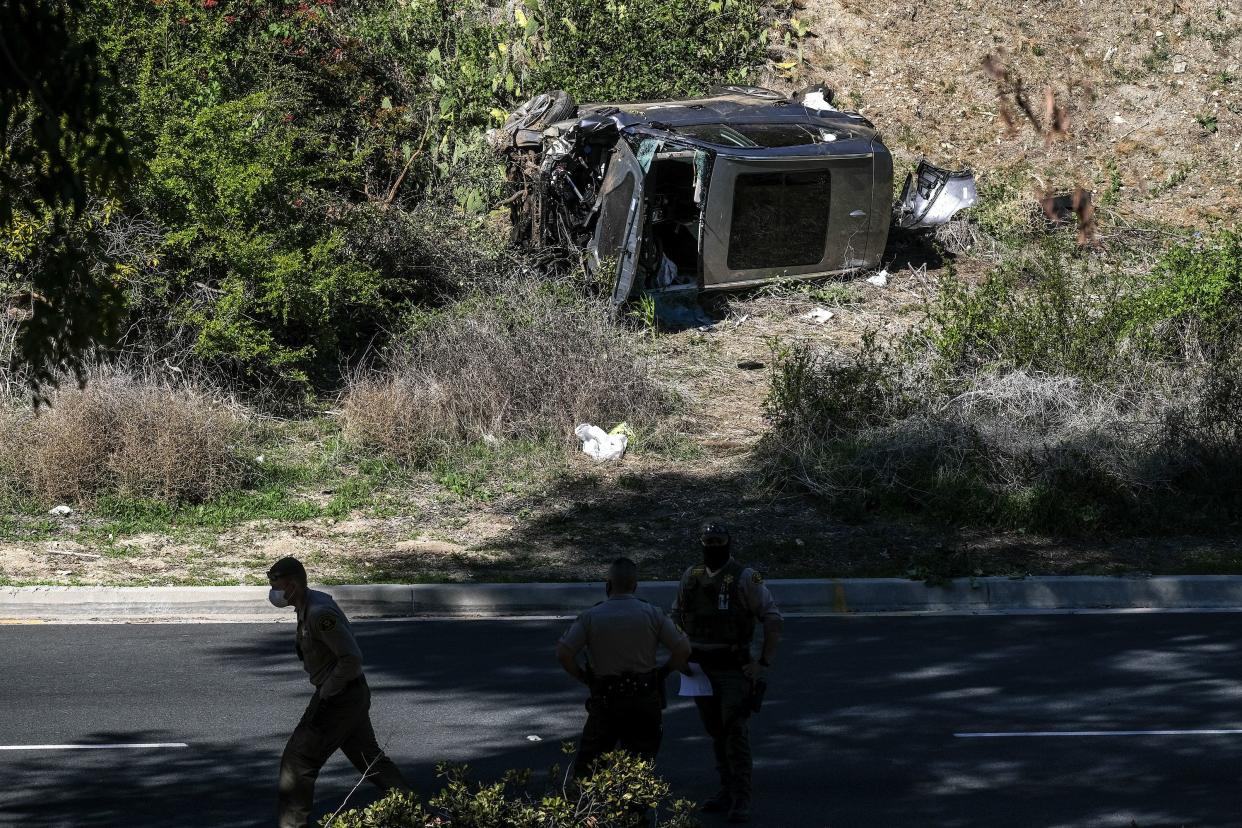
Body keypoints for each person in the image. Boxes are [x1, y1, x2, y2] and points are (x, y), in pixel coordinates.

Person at [267, 556, 411, 828]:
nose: (274, 593)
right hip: (346, 695)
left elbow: (351, 659)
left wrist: (326, 694)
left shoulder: (320, 614)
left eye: (278, 586)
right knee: (370, 760)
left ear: (293, 586)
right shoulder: (305, 605)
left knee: (297, 763)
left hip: (340, 696)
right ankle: (423, 815)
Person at [672, 523, 783, 824]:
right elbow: (675, 618)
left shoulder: (746, 578)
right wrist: (679, 656)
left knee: (734, 731)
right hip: (698, 668)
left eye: (718, 541)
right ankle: (726, 788)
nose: (712, 546)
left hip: (733, 667)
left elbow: (772, 619)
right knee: (716, 732)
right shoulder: (691, 577)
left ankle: (741, 794)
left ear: (729, 543)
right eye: (707, 541)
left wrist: (762, 663)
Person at [556, 557, 691, 779]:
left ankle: (590, 812)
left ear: (608, 585)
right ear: (635, 586)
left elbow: (563, 653)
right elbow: (683, 649)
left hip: (606, 700)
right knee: (640, 766)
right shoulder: (653, 613)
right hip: (644, 698)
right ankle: (636, 813)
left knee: (591, 766)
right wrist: (664, 672)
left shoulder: (591, 616)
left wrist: (583, 677)